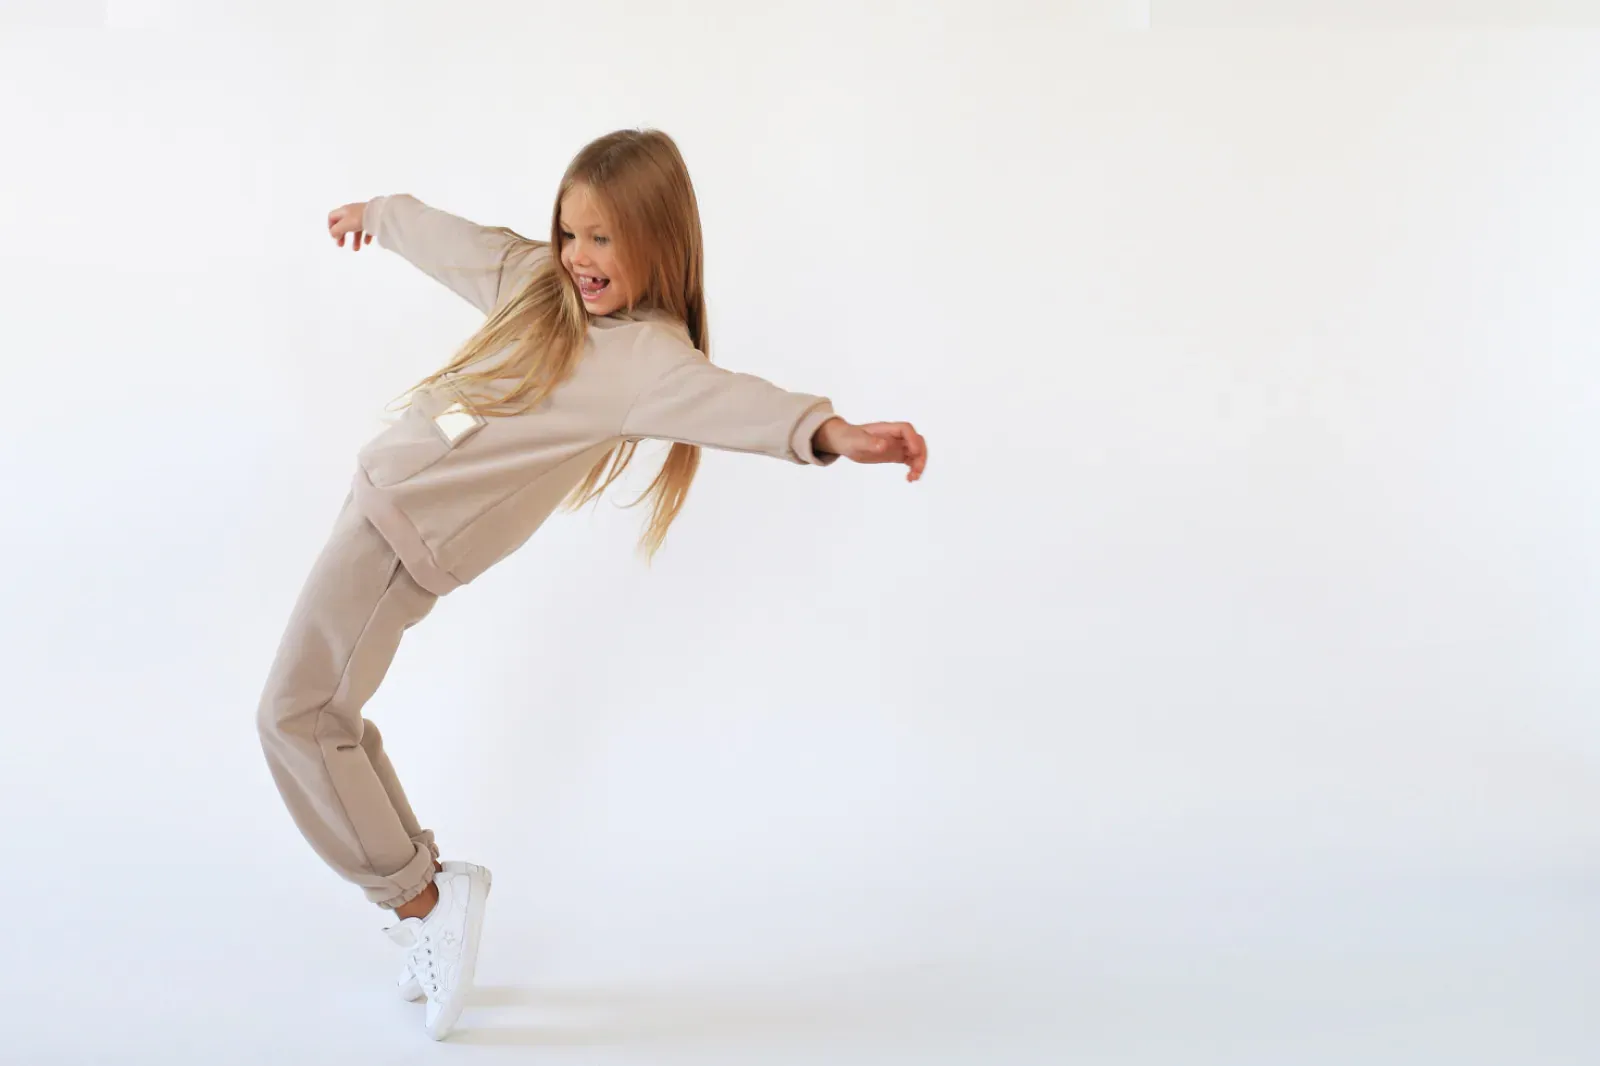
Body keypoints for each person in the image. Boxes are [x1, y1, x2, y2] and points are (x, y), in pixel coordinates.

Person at [256, 128, 928, 1040]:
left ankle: (423, 902)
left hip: (397, 548)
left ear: (658, 243)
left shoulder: (648, 363)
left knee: (296, 717)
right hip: (371, 506)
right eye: (571, 232)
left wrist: (832, 432)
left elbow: (739, 402)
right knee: (328, 718)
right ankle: (425, 891)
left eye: (603, 239)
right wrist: (379, 215)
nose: (579, 256)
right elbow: (454, 240)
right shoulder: (538, 285)